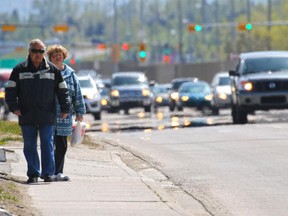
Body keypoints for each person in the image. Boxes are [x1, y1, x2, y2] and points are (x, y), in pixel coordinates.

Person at [5, 39, 70, 184]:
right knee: (30, 145)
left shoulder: (52, 70)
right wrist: (14, 107)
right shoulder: (19, 69)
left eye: (41, 51)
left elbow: (62, 91)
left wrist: (65, 108)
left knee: (47, 143)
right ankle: (33, 174)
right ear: (29, 52)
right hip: (26, 114)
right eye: (34, 51)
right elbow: (10, 91)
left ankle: (48, 173)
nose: (38, 54)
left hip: (47, 114)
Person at [46, 44, 86, 181]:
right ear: (50, 58)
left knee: (62, 144)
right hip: (48, 114)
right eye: (54, 54)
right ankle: (48, 172)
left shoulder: (70, 73)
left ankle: (58, 172)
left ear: (64, 57)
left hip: (65, 115)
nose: (57, 56)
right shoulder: (46, 72)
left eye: (60, 54)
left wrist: (80, 111)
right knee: (49, 143)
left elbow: (77, 93)